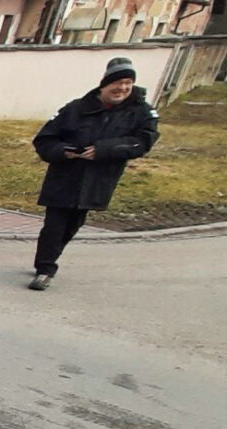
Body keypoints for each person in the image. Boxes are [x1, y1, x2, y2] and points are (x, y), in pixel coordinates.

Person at [29, 57, 158, 291]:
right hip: (64, 176)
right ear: (104, 84)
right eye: (117, 83)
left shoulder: (141, 113)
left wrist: (104, 150)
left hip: (98, 180)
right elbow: (44, 140)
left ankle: (47, 260)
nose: (122, 88)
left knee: (72, 226)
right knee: (54, 226)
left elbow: (143, 142)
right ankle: (45, 269)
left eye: (128, 83)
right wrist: (63, 151)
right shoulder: (76, 108)